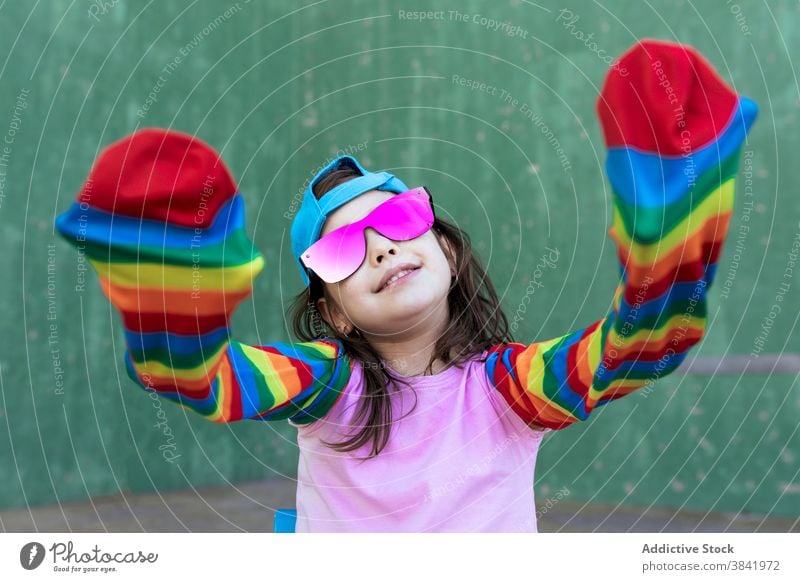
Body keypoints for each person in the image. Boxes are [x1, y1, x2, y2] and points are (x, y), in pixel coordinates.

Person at [55, 39, 757, 532]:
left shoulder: (511, 388)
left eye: (397, 218)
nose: (381, 245)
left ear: (446, 249)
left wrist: (669, 240)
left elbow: (634, 352)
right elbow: (204, 379)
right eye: (340, 250)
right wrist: (172, 300)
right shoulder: (330, 386)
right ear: (334, 314)